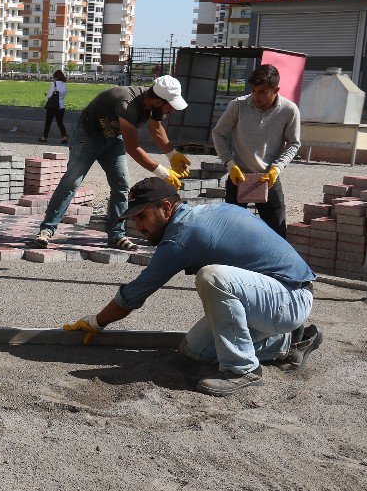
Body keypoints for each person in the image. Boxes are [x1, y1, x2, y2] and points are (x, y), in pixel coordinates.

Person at [63, 177, 322, 397]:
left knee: (212, 277)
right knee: (195, 351)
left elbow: (137, 292)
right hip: (272, 297)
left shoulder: (183, 235)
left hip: (289, 296)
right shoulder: (199, 215)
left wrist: (96, 322)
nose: (138, 227)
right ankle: (291, 343)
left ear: (166, 208)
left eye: (142, 217)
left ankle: (243, 370)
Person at [31, 76, 192, 252]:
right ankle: (47, 229)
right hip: (87, 137)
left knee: (121, 185)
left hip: (113, 139)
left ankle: (117, 235)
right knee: (72, 182)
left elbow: (155, 128)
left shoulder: (156, 105)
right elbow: (133, 147)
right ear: (158, 101)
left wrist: (172, 153)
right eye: (170, 105)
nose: (172, 110)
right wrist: (162, 172)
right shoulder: (127, 103)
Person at [212, 63, 301, 239]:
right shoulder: (238, 106)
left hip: (268, 179)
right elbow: (218, 133)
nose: (255, 96)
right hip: (238, 177)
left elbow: (294, 143)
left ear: (276, 90)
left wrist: (277, 168)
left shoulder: (289, 110)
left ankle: (275, 266)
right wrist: (230, 164)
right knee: (231, 232)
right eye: (253, 90)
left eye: (262, 92)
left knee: (277, 232)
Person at [39, 70, 68, 144]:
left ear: (56, 77)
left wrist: (46, 95)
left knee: (48, 122)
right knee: (60, 123)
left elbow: (49, 95)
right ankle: (64, 137)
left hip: (52, 107)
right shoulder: (64, 85)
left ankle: (44, 137)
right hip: (61, 106)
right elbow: (63, 94)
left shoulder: (54, 84)